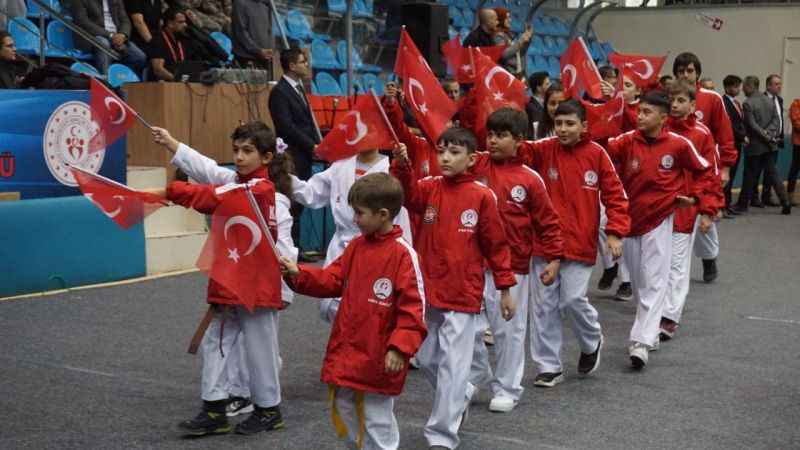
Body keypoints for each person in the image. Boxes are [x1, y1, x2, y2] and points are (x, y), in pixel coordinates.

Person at [148, 122, 288, 436]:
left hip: (256, 282)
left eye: (247, 151)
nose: (238, 157)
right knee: (217, 341)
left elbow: (214, 194)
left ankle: (268, 409)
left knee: (260, 347)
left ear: (267, 157)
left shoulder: (257, 189)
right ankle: (215, 408)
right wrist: (173, 143)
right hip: (233, 279)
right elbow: (208, 169)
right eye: (236, 150)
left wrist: (168, 191)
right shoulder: (238, 182)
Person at [280, 172, 427, 450]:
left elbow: (413, 308)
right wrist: (297, 273)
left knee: (376, 417)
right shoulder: (356, 247)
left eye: (359, 213)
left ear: (383, 214)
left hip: (380, 353)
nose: (354, 219)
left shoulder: (403, 255)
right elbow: (332, 279)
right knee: (343, 406)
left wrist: (399, 348)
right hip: (348, 347)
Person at [392, 127, 516, 450]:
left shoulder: (482, 196)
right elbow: (405, 195)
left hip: (463, 292)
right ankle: (459, 393)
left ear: (472, 158)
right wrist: (402, 166)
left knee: (453, 365)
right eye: (441, 152)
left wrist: (504, 287)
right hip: (428, 289)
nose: (445, 158)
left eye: (454, 152)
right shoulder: (429, 188)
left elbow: (496, 246)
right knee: (428, 357)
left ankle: (442, 434)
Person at [445, 108, 564, 412]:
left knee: (507, 330)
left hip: (513, 267)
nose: (494, 141)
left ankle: (508, 387)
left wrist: (553, 258)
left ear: (520, 140)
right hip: (470, 261)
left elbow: (547, 222)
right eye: (491, 134)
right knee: (466, 328)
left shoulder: (530, 179)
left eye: (502, 135)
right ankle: (476, 374)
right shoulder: (474, 164)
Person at [518, 100, 629, 385]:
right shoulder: (543, 149)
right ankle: (549, 366)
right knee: (543, 306)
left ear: (584, 126)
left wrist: (615, 231)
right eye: (559, 123)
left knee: (572, 300)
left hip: (580, 243)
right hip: (544, 242)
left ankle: (592, 340)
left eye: (570, 124)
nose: (563, 129)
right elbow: (514, 150)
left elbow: (616, 196)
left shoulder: (597, 154)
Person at [606, 91, 712, 369]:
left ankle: (640, 342)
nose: (640, 116)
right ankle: (650, 330)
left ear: (663, 118)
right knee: (641, 281)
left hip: (661, 220)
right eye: (639, 111)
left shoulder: (679, 145)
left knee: (654, 280)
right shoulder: (625, 142)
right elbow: (601, 155)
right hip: (629, 219)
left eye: (647, 112)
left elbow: (705, 170)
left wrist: (698, 199)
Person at [290, 147, 412, 323]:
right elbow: (311, 193)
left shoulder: (392, 169)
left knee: (371, 309)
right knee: (336, 305)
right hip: (342, 247)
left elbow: (400, 218)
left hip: (379, 251)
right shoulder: (341, 166)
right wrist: (285, 179)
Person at [661, 80, 719, 340]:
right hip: (656, 211)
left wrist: (707, 209)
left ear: (693, 105)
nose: (675, 105)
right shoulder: (658, 129)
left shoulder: (702, 134)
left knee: (677, 266)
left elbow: (710, 175)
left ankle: (669, 317)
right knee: (654, 266)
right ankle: (656, 309)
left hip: (686, 210)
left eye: (681, 100)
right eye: (671, 100)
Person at [672, 52, 736, 283]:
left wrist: (726, 167)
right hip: (677, 170)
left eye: (690, 70)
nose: (686, 75)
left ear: (697, 72)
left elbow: (725, 135)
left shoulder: (711, 99)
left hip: (705, 167)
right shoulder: (669, 98)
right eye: (681, 71)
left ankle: (709, 259)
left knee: (702, 215)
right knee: (679, 216)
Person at [735, 76, 791, 215]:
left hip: (755, 146)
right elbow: (777, 120)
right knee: (773, 174)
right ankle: (785, 202)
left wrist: (765, 135)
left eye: (744, 87)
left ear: (749, 86)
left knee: (749, 175)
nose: (742, 90)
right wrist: (769, 135)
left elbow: (752, 126)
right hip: (770, 145)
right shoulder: (770, 100)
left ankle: (742, 205)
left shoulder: (748, 103)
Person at [70, 0, 148, 74]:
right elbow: (82, 22)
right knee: (103, 43)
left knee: (140, 57)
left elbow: (125, 20)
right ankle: (105, 81)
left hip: (117, 38)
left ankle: (123, 80)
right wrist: (110, 36)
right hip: (92, 37)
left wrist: (123, 35)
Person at [721, 75, 747, 216]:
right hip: (730, 142)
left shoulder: (737, 103)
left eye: (739, 86)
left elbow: (740, 122)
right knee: (727, 175)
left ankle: (728, 204)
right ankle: (723, 205)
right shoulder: (723, 102)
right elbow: (729, 123)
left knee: (733, 173)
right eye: (736, 86)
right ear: (727, 87)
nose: (739, 89)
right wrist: (742, 136)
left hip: (738, 143)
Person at [758, 74, 785, 206]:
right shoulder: (760, 99)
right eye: (776, 84)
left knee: (770, 172)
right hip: (763, 141)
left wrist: (780, 136)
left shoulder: (779, 100)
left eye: (780, 84)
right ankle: (753, 198)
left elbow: (779, 119)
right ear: (768, 85)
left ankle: (766, 196)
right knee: (757, 170)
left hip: (776, 141)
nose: (779, 86)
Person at [148, 7, 195, 81]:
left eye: (185, 22)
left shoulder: (183, 40)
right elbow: (158, 70)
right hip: (161, 86)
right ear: (170, 24)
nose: (185, 25)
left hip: (180, 83)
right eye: (180, 22)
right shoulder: (158, 40)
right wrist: (177, 80)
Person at [231, 0, 274, 70]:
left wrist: (270, 49)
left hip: (265, 58)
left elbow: (269, 30)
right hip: (246, 59)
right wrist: (258, 50)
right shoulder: (240, 3)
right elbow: (241, 32)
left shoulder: (265, 6)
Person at [492, 8, 532, 76]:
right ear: (500, 19)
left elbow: (519, 53)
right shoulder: (497, 35)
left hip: (516, 73)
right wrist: (520, 41)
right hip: (506, 74)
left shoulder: (507, 34)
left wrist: (527, 40)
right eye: (507, 18)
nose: (510, 20)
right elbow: (503, 54)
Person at [788, 97, 800, 205]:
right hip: (798, 143)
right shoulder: (796, 103)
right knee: (795, 169)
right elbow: (796, 122)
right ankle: (790, 196)